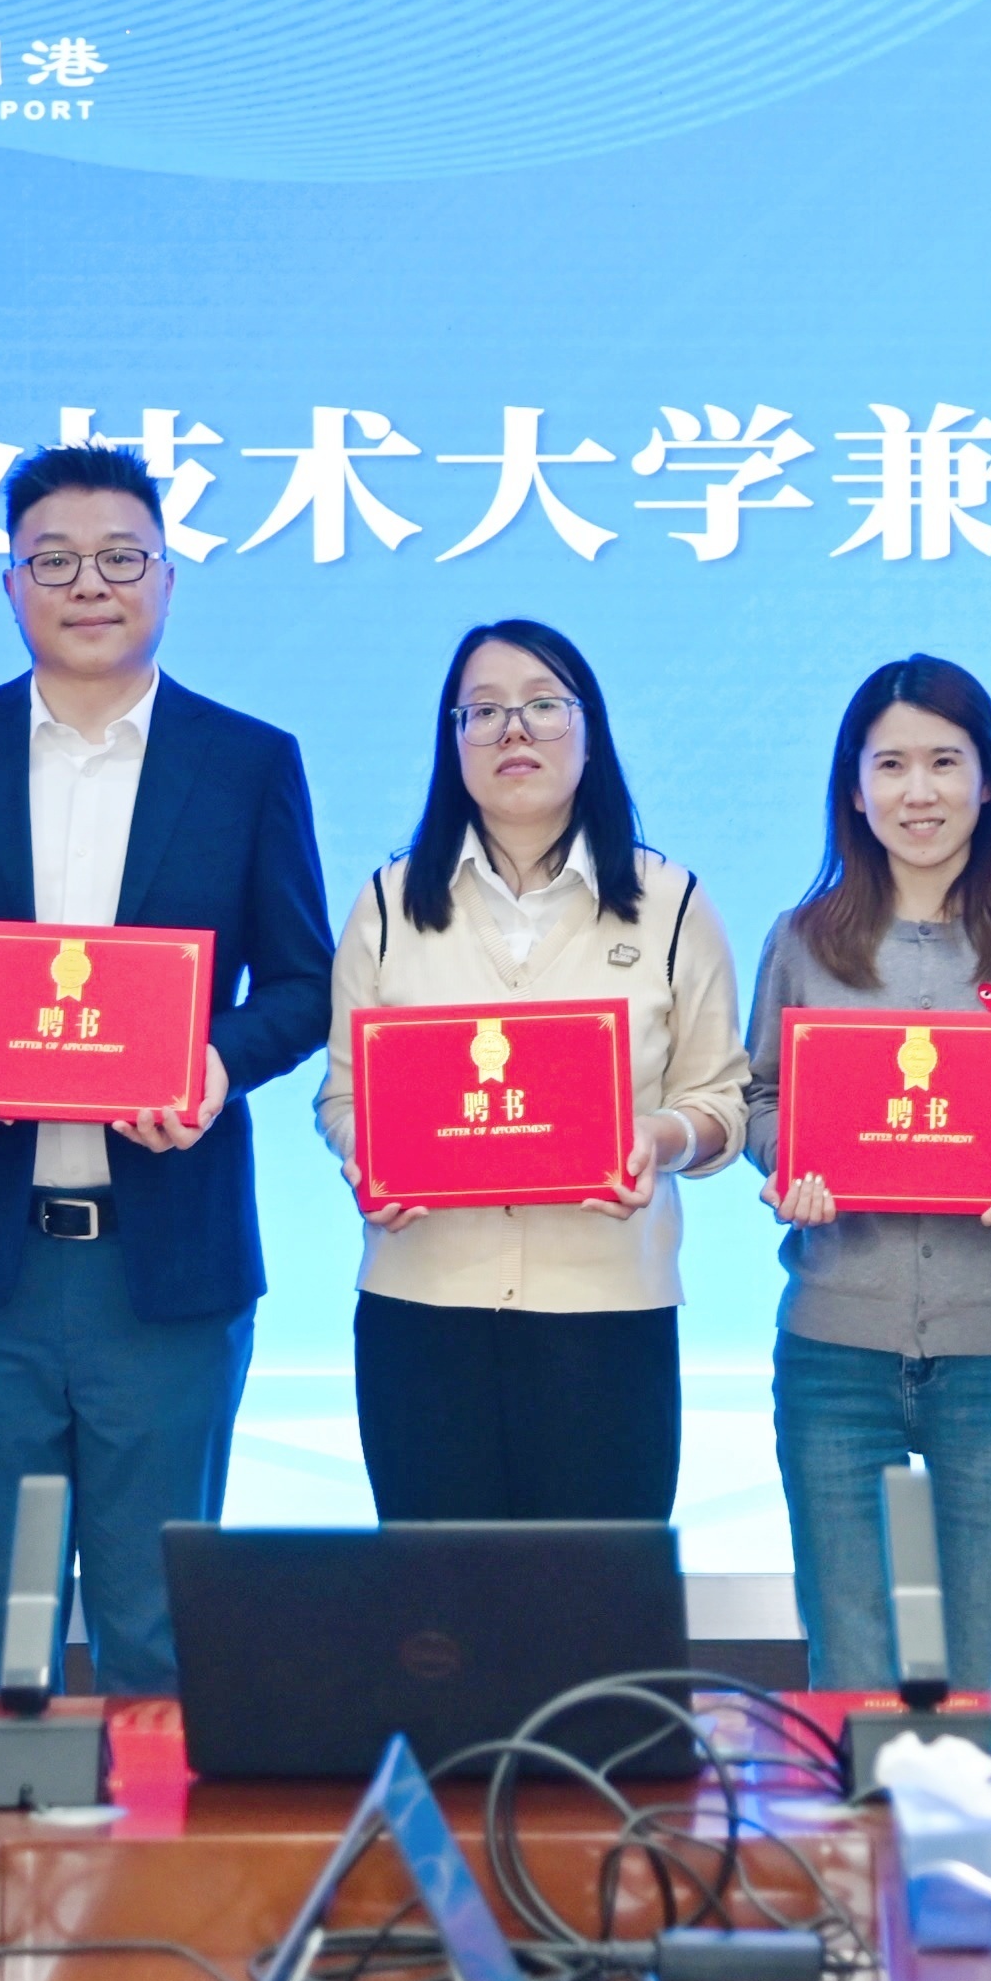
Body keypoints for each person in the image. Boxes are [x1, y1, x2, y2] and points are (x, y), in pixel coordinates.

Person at [0, 444, 333, 1697]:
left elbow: (304, 983)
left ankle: (151, 1842)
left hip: (164, 1264)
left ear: (167, 578)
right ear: (9, 586)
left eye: (119, 558)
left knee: (158, 1640)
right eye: (52, 561)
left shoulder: (246, 760)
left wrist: (213, 1066)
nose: (88, 585)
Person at [742, 656, 991, 1695]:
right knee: (852, 1669)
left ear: (988, 780)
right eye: (891, 765)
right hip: (834, 1352)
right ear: (854, 789)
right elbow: (758, 1098)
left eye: (945, 762)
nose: (919, 792)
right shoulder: (802, 943)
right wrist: (788, 1161)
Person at [316, 621, 749, 1523]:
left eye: (544, 706)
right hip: (420, 1312)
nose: (514, 730)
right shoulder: (389, 903)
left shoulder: (670, 902)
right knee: (435, 1599)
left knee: (599, 1596)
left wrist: (659, 1139)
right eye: (483, 712)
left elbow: (719, 1101)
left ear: (589, 734)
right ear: (453, 741)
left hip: (605, 1314)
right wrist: (370, 1157)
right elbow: (344, 1095)